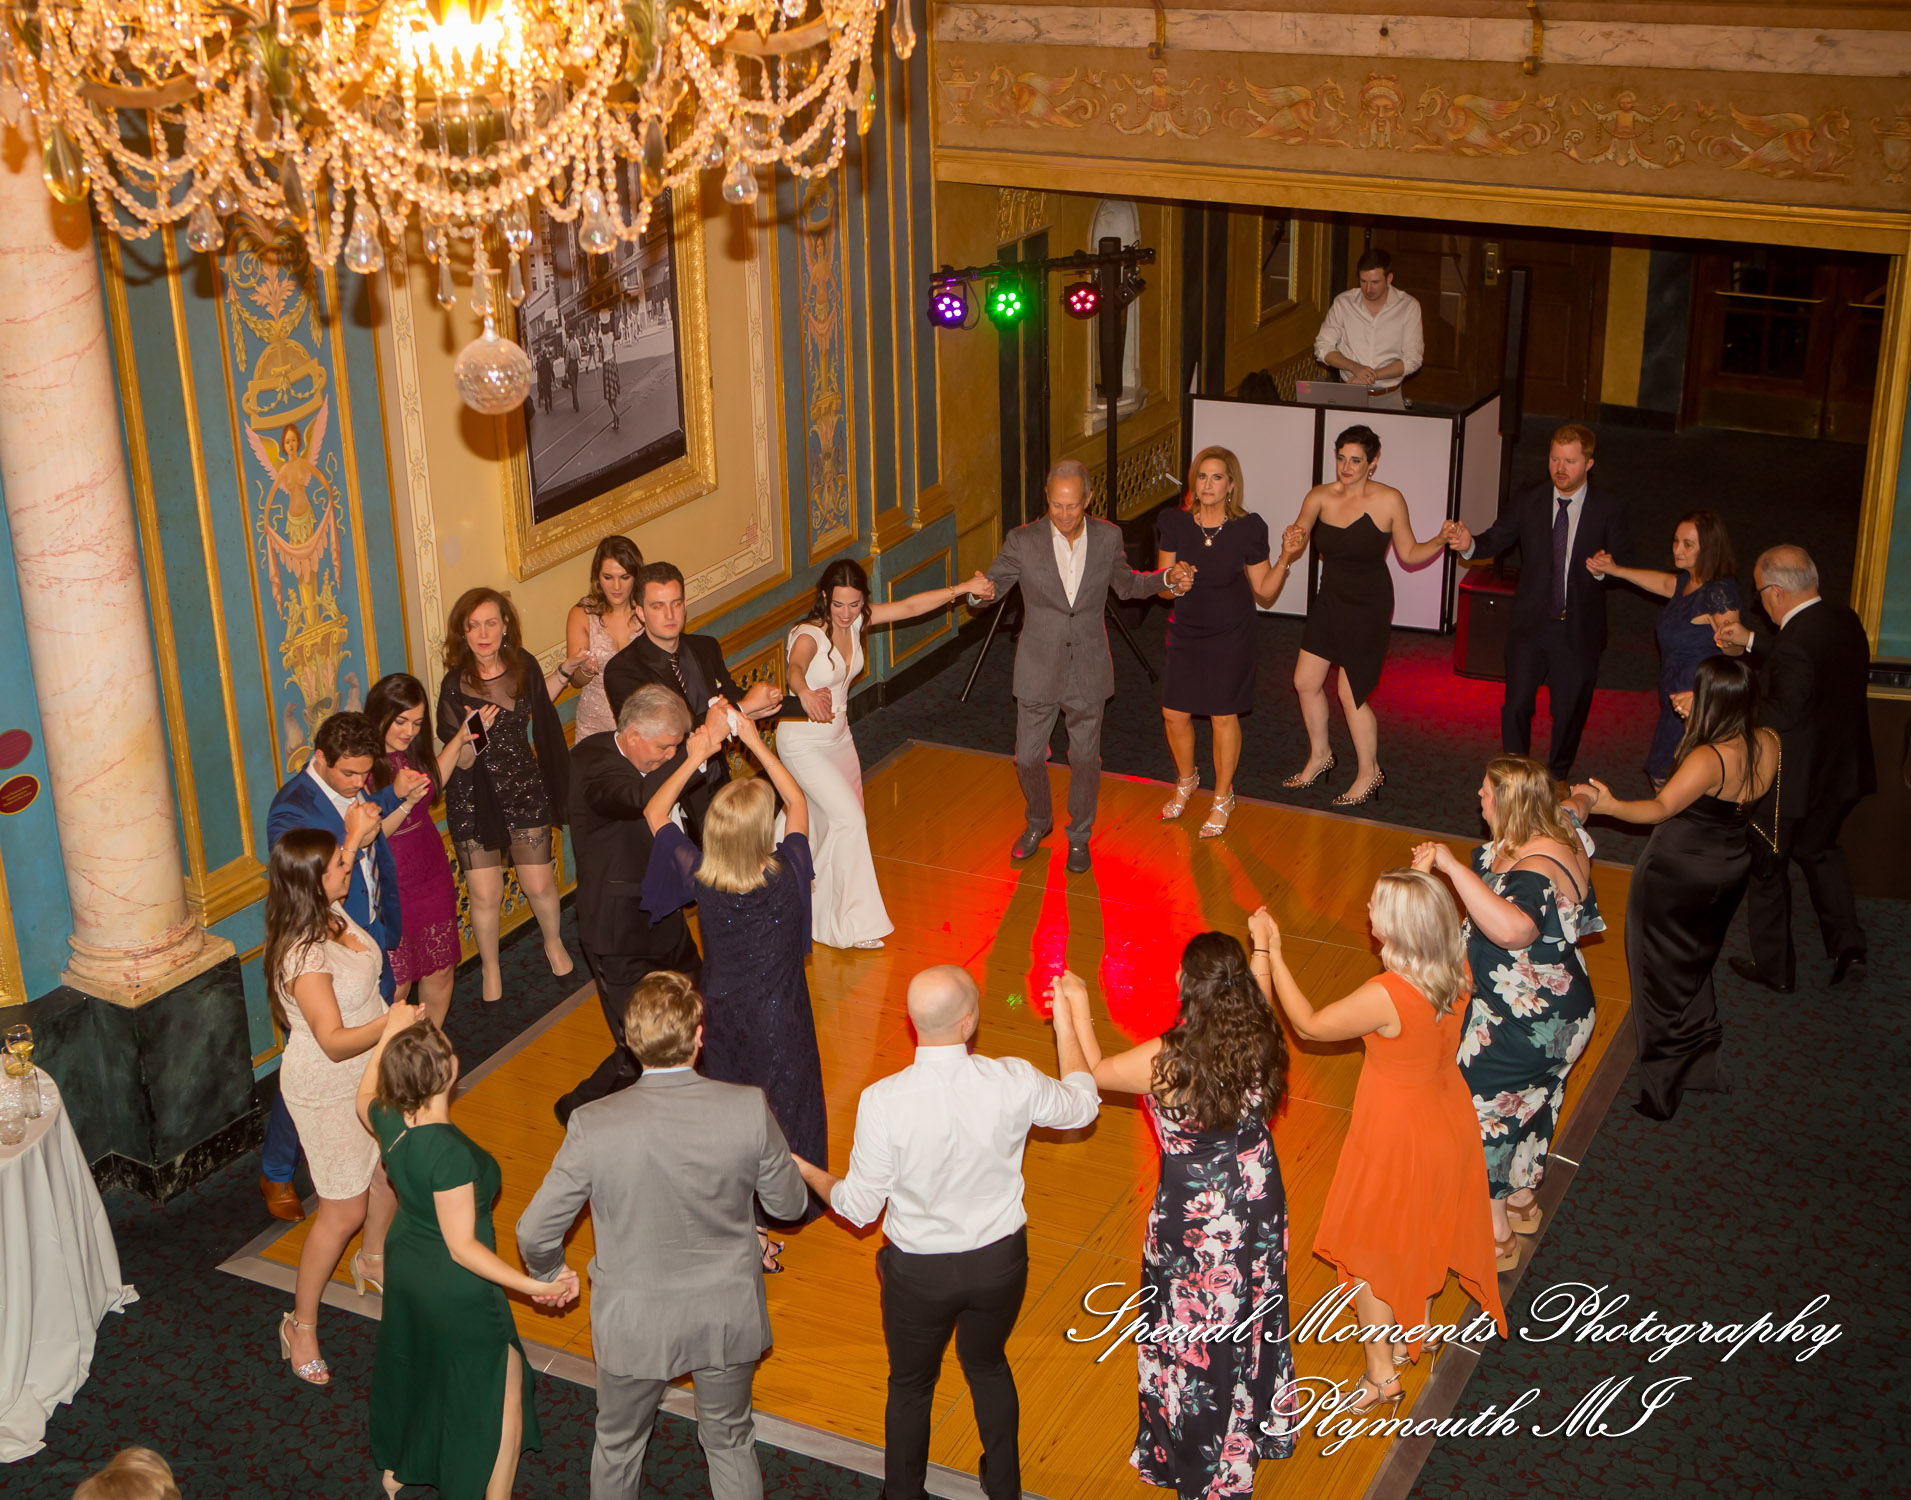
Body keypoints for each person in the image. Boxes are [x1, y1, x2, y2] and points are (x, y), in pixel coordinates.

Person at [791, 965, 1100, 1500]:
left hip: (919, 1276)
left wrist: (809, 1171)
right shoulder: (1013, 1079)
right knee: (987, 1364)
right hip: (1000, 1263)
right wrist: (1066, 1025)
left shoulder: (883, 1100)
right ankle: (1004, 1488)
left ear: (913, 1024)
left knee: (910, 1386)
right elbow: (1084, 1103)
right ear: (968, 1023)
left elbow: (860, 1209)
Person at [517, 970, 809, 1500]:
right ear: (699, 1037)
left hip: (635, 1321)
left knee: (619, 1445)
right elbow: (788, 1205)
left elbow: (535, 1229)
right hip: (726, 1313)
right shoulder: (746, 1108)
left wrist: (548, 1271)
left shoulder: (593, 1123)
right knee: (729, 1439)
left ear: (629, 1042)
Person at [1050, 938, 1299, 1497]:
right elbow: (1255, 981)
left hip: (1200, 1213)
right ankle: (1256, 1423)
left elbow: (1086, 1079)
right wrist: (1262, 945)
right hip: (1258, 1191)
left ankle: (1208, 1456)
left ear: (1187, 983)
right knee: (1255, 1304)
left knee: (1200, 1326)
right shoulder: (1256, 1028)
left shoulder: (1171, 1060)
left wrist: (1071, 1013)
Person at [1256, 878, 1506, 1417]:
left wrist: (1272, 951)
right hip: (1449, 1120)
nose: (1367, 906)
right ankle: (1413, 1331)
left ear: (1396, 926)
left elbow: (1309, 1026)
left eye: (1376, 904)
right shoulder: (1455, 968)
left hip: (1396, 1137)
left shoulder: (1388, 994)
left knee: (1368, 1249)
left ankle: (1381, 1374)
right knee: (1425, 1231)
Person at [357, 1013, 578, 1500]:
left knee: (423, 1362)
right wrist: (535, 1286)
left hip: (408, 1265)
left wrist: (389, 1034)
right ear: (450, 1070)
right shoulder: (451, 1154)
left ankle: (401, 1469)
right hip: (455, 1286)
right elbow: (462, 1248)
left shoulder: (392, 1120)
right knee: (504, 1388)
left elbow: (363, 1096)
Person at [642, 713, 821, 1265]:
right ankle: (776, 1211)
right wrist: (751, 740)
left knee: (728, 1122)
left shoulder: (700, 873)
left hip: (720, 1020)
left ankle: (740, 1226)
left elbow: (653, 811)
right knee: (784, 1112)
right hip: (782, 1017)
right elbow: (800, 804)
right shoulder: (788, 868)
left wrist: (698, 754)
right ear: (762, 832)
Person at [1411, 755, 1601, 1266]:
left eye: (1486, 791)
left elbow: (1515, 930)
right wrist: (1589, 795)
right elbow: (1577, 808)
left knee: (1484, 1117)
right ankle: (1522, 1200)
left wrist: (1450, 867)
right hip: (1564, 1013)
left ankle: (1495, 1236)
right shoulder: (1559, 828)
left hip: (1528, 1025)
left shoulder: (1534, 871)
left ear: (1511, 802)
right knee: (1531, 1103)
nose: (1479, 797)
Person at [1574, 657, 1778, 1120]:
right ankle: (1703, 1065)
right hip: (1730, 868)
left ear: (1713, 701)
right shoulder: (1767, 742)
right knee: (1694, 964)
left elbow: (1660, 807)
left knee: (1654, 977)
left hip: (1677, 874)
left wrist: (1610, 804)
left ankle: (1662, 1092)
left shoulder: (1708, 758)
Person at [982, 459, 1192, 873]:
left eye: (1072, 506)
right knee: (1026, 758)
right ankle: (1038, 822)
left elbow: (1129, 585)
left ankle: (1079, 835)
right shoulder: (1022, 541)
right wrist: (975, 594)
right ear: (1048, 497)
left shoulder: (1108, 537)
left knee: (1084, 759)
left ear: (1088, 500)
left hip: (1089, 667)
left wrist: (1165, 580)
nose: (1063, 514)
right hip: (1038, 667)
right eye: (1056, 505)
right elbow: (993, 587)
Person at [264, 827, 413, 1387]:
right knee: (341, 1210)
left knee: (387, 1171)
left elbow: (344, 858)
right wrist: (394, 1022)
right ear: (312, 879)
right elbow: (331, 1040)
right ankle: (299, 1324)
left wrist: (352, 835)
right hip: (328, 1083)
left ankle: (371, 1260)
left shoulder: (332, 910)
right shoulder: (302, 955)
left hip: (372, 1068)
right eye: (337, 865)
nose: (347, 868)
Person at [781, 558, 992, 948]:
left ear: (863, 601)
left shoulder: (858, 620)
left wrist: (963, 589)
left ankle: (784, 897)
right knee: (848, 822)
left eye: (854, 604)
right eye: (838, 604)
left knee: (826, 820)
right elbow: (796, 666)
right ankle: (852, 925)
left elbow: (911, 606)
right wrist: (804, 691)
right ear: (825, 598)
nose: (846, 615)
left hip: (839, 738)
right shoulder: (810, 633)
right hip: (802, 742)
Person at [259, 710, 404, 1223]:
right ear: (319, 758)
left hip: (367, 934)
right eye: (349, 774)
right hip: (325, 950)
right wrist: (352, 837)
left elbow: (372, 860)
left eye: (366, 773)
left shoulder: (359, 785)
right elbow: (304, 885)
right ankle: (276, 1170)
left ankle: (370, 1155)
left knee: (370, 1064)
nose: (360, 784)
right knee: (320, 1064)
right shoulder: (289, 810)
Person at [1714, 544, 1875, 992]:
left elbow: (1780, 711)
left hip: (1792, 781)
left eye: (1760, 593)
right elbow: (1801, 653)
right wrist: (1748, 640)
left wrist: (1720, 704)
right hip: (1842, 771)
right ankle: (1850, 947)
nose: (1760, 603)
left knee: (1767, 867)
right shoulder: (1843, 620)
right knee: (1820, 850)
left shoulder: (1793, 650)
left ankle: (1775, 969)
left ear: (1777, 593)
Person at [1445, 423, 1632, 780]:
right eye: (1555, 459)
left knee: (1569, 711)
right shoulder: (1530, 499)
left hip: (1577, 629)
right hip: (1530, 625)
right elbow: (1494, 539)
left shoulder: (1609, 507)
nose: (1560, 468)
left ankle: (1558, 777)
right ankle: (1516, 776)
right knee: (1515, 705)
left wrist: (1605, 570)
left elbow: (1622, 560)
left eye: (1571, 461)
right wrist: (1469, 544)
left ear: (1589, 464)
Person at [559, 684, 706, 1121]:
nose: (668, 755)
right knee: (637, 1046)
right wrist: (693, 756)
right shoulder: (593, 766)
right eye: (663, 747)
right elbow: (642, 800)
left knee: (699, 1011)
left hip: (663, 917)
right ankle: (577, 1110)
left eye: (675, 747)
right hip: (617, 932)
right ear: (634, 733)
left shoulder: (646, 747)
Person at [1281, 425, 1448, 806]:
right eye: (1341, 458)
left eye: (1356, 460)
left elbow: (1408, 554)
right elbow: (1298, 537)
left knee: (1350, 692)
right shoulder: (1319, 496)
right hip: (1331, 599)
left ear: (1373, 463)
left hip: (1368, 605)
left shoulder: (1389, 500)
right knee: (1305, 681)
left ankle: (1369, 772)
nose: (1346, 466)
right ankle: (1321, 756)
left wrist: (1439, 541)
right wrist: (1290, 543)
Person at [435, 586, 582, 1003]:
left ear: (505, 627)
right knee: (486, 894)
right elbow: (462, 762)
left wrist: (566, 671)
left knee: (539, 883)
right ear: (463, 634)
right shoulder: (454, 685)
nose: (483, 634)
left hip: (523, 788)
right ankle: (491, 969)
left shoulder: (522, 666)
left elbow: (537, 704)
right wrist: (473, 731)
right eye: (474, 626)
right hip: (475, 796)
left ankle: (553, 944)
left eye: (491, 623)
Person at [1154, 446, 1300, 837]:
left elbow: (1265, 591)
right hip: (1186, 628)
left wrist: (1286, 556)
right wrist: (1174, 581)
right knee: (1174, 713)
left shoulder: (1247, 528)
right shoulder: (1175, 523)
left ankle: (1222, 796)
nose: (1208, 484)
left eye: (1217, 477)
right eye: (1202, 476)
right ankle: (1187, 780)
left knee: (1222, 716)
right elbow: (1163, 588)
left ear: (1231, 485)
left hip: (1231, 633)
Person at [601, 561, 784, 838]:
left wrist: (796, 702)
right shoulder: (623, 671)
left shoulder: (705, 646)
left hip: (716, 780)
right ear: (639, 612)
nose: (670, 614)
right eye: (657, 606)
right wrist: (744, 707)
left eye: (676, 603)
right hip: (671, 795)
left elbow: (730, 696)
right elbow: (667, 734)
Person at [1585, 510, 1741, 785]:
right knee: (1666, 774)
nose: (1677, 550)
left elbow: (1735, 652)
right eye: (1676, 541)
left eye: (1687, 544)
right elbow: (1663, 582)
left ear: (1710, 548)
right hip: (1674, 697)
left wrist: (1705, 691)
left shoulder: (1719, 593)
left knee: (1674, 777)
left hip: (1696, 702)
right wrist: (1615, 570)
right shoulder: (1687, 582)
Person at [365, 674, 464, 1029]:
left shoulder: (411, 753)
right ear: (381, 715)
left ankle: (429, 1050)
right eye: (401, 721)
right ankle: (392, 1068)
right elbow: (372, 834)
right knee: (398, 984)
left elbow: (432, 782)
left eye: (417, 723)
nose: (408, 731)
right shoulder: (362, 763)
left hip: (430, 870)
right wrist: (403, 802)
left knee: (440, 972)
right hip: (390, 881)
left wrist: (461, 737)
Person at [1312, 247, 1425, 395]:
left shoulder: (1408, 306)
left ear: (1389, 279)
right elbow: (1322, 347)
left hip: (1388, 395)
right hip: (1349, 392)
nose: (1368, 289)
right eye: (1363, 281)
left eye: (1375, 282)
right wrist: (1354, 367)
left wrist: (1370, 376)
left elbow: (1413, 358)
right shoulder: (1343, 303)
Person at [565, 534, 645, 740]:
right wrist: (585, 669)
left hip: (643, 724)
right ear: (597, 578)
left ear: (636, 576)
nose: (616, 587)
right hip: (595, 727)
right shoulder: (582, 614)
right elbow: (576, 680)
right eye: (608, 577)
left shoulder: (648, 611)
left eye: (624, 577)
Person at [600, 327, 622, 430]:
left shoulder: (601, 338)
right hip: (613, 363)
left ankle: (616, 415)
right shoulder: (612, 336)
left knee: (609, 396)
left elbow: (601, 356)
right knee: (614, 395)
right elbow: (614, 352)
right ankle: (615, 422)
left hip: (606, 365)